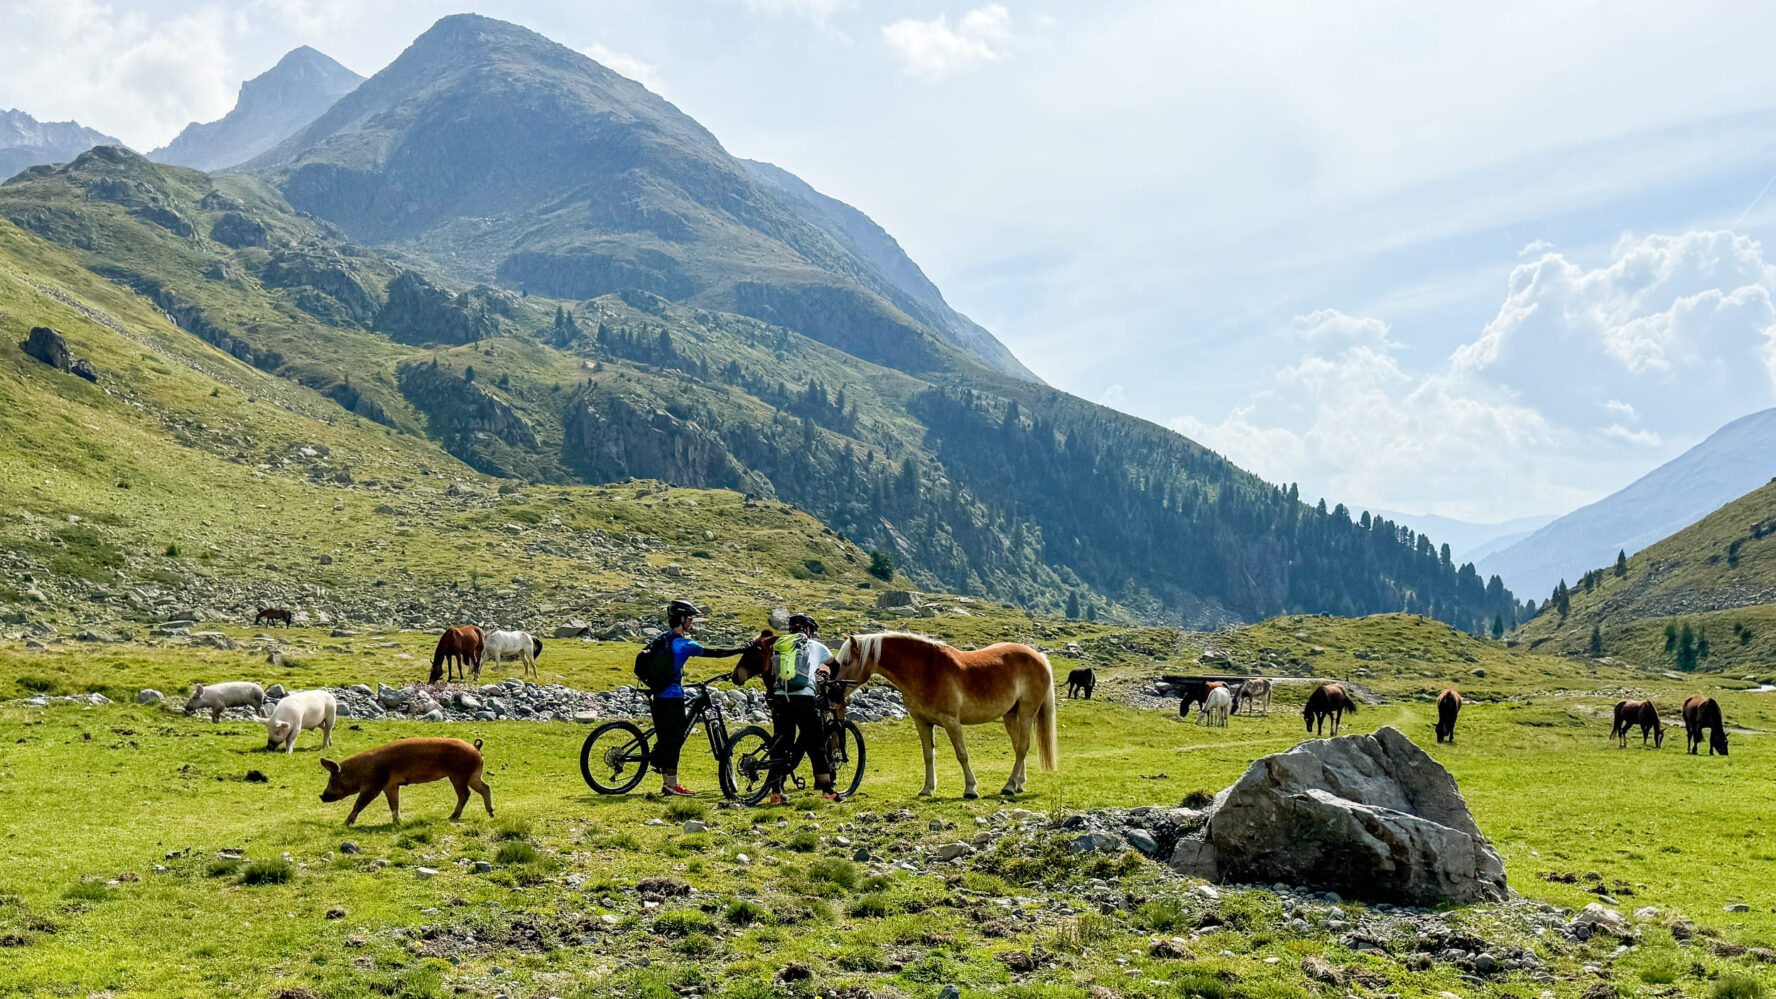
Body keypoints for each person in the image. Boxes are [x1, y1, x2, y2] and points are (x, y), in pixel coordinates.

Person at [653, 599, 748, 796]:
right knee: (675, 740)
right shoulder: (683, 644)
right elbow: (714, 652)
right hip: (672, 696)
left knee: (666, 738)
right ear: (682, 619)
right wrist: (740, 650)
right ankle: (671, 785)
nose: (692, 622)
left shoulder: (662, 639)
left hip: (657, 693)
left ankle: (666, 779)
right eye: (690, 618)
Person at [767, 613, 836, 804]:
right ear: (808, 629)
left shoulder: (781, 644)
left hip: (781, 697)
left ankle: (776, 793)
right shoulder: (816, 646)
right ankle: (827, 790)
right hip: (805, 698)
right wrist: (825, 679)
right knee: (817, 743)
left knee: (781, 743)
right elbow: (834, 666)